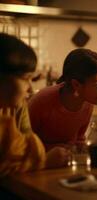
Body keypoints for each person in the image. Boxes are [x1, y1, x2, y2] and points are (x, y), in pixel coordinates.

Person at [0, 33, 69, 176]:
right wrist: (45, 162)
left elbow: (24, 152)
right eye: (26, 78)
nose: (30, 89)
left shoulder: (14, 107)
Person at [29, 48, 97, 151]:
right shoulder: (41, 101)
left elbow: (79, 139)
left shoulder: (87, 103)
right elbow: (22, 143)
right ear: (76, 84)